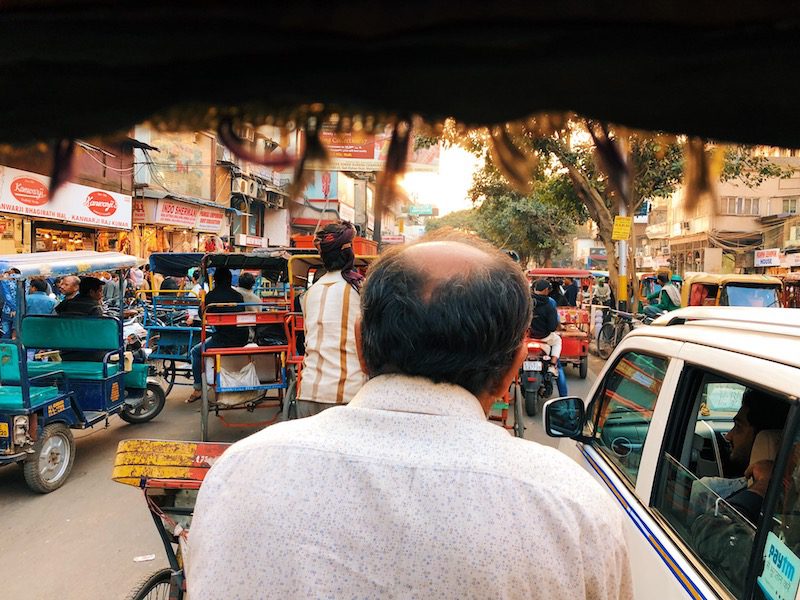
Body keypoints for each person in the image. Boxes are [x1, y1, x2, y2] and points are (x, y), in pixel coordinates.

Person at [188, 232, 632, 599]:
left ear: (363, 345)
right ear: (514, 366)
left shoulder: (238, 473)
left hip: (317, 391)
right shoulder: (576, 510)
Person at [294, 221, 367, 417]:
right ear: (348, 252)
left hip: (308, 393)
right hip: (347, 395)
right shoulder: (361, 289)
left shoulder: (309, 294)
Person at [186, 267, 248, 403]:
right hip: (242, 338)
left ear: (215, 280)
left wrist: (203, 300)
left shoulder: (211, 296)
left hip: (223, 339)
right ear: (230, 280)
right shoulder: (238, 296)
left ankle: (197, 388)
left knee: (196, 352)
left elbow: (203, 317)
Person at [530, 278, 568, 396]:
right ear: (546, 290)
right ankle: (552, 365)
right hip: (545, 338)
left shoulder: (525, 301)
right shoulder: (550, 303)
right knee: (557, 341)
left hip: (528, 338)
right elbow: (552, 327)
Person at [0, 268, 20, 338]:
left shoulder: (5, 282)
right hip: (19, 309)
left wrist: (13, 308)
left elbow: (7, 297)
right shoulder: (22, 283)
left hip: (7, 310)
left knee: (6, 333)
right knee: (15, 334)